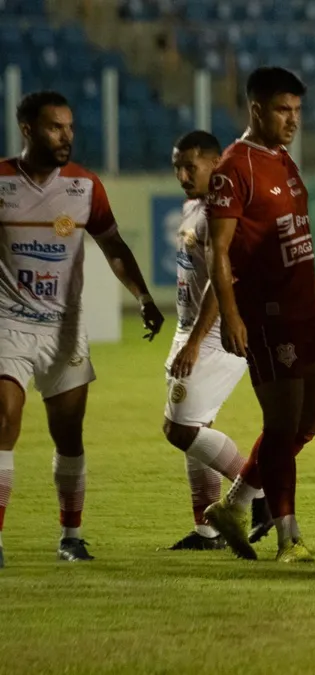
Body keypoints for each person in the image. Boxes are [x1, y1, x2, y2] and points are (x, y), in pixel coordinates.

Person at [0, 90, 165, 567]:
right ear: (28, 129)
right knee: (4, 419)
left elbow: (113, 245)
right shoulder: (1, 181)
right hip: (8, 321)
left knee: (68, 435)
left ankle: (71, 535)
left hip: (65, 328)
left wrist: (143, 296)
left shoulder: (84, 186)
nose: (67, 136)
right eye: (55, 127)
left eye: (70, 127)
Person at [202, 67, 315, 564]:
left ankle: (234, 503)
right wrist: (232, 316)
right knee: (281, 425)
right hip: (269, 315)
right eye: (283, 110)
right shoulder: (235, 168)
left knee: (312, 419)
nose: (292, 120)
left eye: (297, 111)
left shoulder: (283, 161)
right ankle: (288, 536)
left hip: (306, 310)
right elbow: (219, 249)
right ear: (255, 109)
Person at [161, 130, 270, 551]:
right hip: (188, 331)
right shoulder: (193, 207)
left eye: (191, 165)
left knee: (179, 428)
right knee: (197, 424)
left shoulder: (222, 212)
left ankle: (257, 492)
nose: (183, 174)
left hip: (217, 334)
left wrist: (194, 341)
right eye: (177, 167)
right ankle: (208, 530)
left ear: (214, 163)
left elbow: (224, 281)